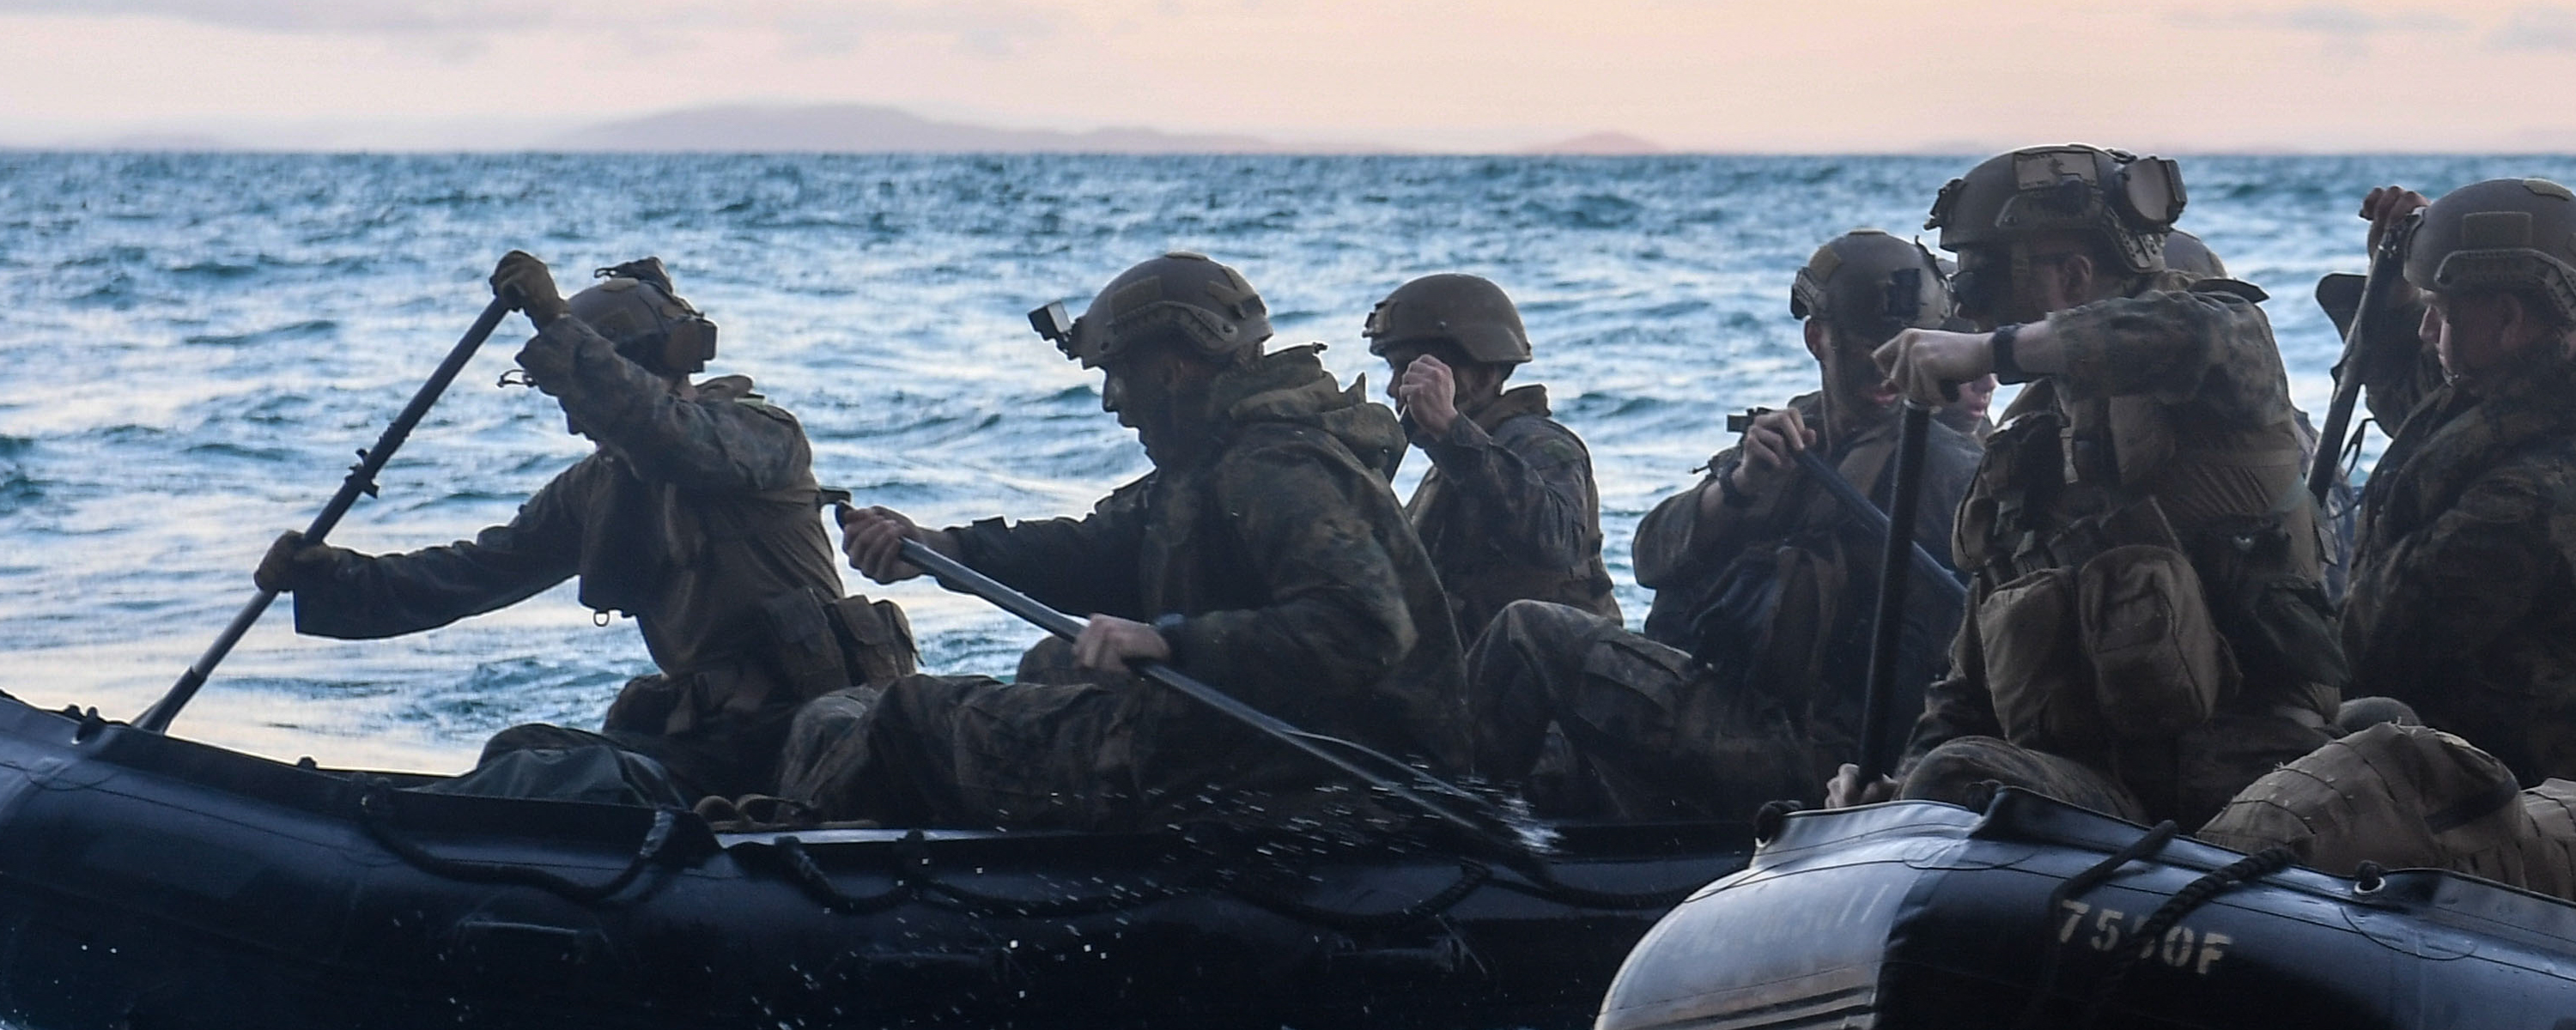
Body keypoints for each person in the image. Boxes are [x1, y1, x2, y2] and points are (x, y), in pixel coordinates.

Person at [777, 251, 1459, 832]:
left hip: (1299, 762)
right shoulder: (1219, 458)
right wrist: (943, 548)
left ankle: (786, 857)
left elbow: (1364, 626)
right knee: (1051, 662)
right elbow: (1100, 549)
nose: (1110, 402)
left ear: (1172, 370)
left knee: (902, 718)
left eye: (1117, 374)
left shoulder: (1273, 466)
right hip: (1260, 735)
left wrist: (1171, 642)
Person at [251, 252, 908, 797]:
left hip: (810, 740)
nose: (571, 420)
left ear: (628, 371)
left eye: (577, 392)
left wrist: (553, 320)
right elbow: (473, 573)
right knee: (522, 753)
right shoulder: (598, 488)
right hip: (705, 749)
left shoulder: (758, 436)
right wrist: (333, 575)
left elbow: (669, 436)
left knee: (565, 778)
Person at [1837, 143, 2342, 825]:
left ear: (2072, 276)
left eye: (1982, 278)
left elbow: (2183, 333)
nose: (1965, 304)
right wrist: (1895, 793)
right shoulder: (2029, 446)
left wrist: (1995, 352)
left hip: (2251, 773)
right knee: (1943, 777)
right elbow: (1969, 680)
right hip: (2101, 789)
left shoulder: (2221, 349)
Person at [1458, 230, 1982, 819]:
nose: (1888, 369)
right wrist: (1739, 489)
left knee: (1528, 634)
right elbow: (1651, 559)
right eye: (1867, 346)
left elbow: (1980, 649)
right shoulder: (1794, 439)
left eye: (1905, 347)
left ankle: (1445, 839)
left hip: (1813, 756)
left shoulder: (1942, 468)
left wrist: (1905, 786)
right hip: (1737, 706)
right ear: (1818, 339)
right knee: (1548, 757)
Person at [2323, 178, 2576, 796]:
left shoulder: (2531, 500)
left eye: (2440, 311)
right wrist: (2396, 288)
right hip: (2554, 733)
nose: (2425, 330)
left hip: (2548, 791)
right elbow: (2426, 417)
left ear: (2506, 318)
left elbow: (2361, 653)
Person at [1371, 272, 1618, 634]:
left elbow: (1555, 542)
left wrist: (1451, 432)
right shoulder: (1454, 463)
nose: (1395, 388)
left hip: (1546, 672)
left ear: (1484, 375)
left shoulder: (1537, 445)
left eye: (1411, 368)